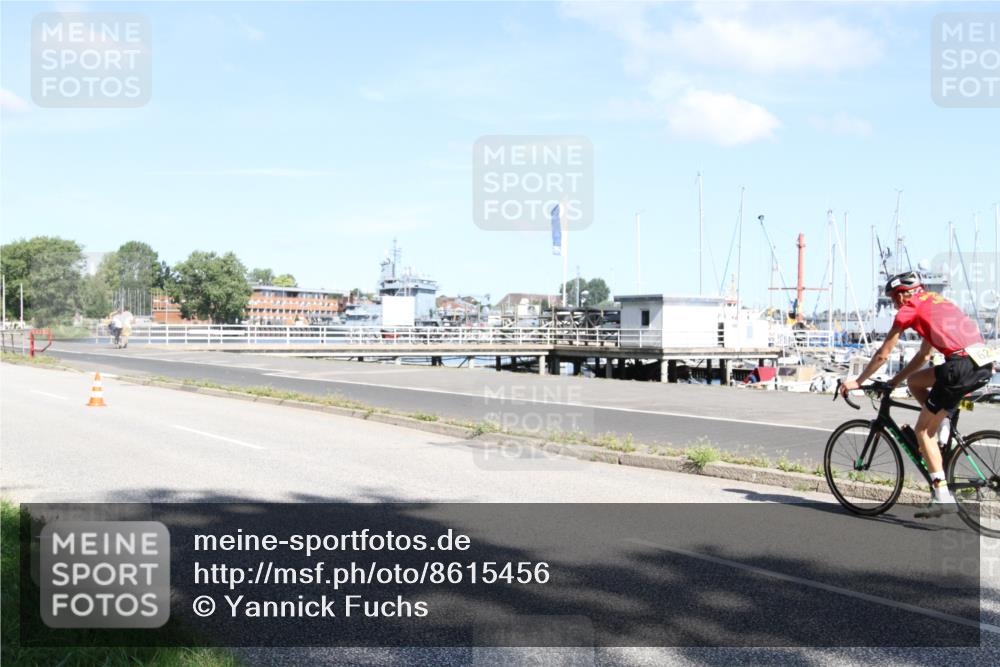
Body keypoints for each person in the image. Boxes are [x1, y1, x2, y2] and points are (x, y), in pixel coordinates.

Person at [840, 271, 995, 516]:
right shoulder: (934, 302)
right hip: (982, 364)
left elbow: (883, 354)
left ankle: (942, 496)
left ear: (903, 295)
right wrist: (895, 381)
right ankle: (942, 423)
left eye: (893, 299)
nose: (894, 305)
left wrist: (858, 381)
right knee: (915, 382)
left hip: (959, 368)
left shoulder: (909, 308)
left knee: (922, 431)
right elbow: (924, 355)